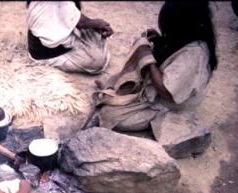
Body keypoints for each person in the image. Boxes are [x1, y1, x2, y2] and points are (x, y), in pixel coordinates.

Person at [93, 0, 218, 131]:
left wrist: (147, 58)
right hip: (163, 88)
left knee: (108, 114)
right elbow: (173, 55)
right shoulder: (189, 35)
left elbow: (166, 92)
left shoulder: (194, 55)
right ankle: (115, 94)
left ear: (182, 27)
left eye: (169, 30)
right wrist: (161, 42)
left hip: (170, 103)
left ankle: (154, 114)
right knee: (118, 79)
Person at [27, 1, 113, 74]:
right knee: (97, 61)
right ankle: (61, 59)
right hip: (45, 52)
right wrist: (99, 23)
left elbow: (72, 14)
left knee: (95, 34)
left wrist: (96, 25)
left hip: (53, 39)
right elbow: (82, 23)